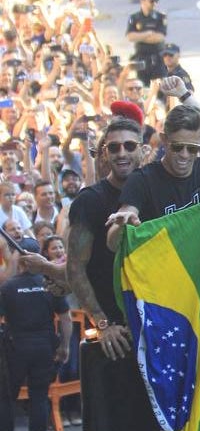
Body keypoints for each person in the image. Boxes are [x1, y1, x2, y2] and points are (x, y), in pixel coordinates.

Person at [66, 115, 146, 360]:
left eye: (129, 146)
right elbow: (75, 267)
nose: (122, 153)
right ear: (104, 154)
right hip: (114, 335)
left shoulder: (155, 190)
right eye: (114, 147)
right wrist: (102, 324)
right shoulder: (89, 200)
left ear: (142, 150)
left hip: (156, 326)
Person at [106, 97, 200, 250]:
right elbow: (112, 243)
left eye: (192, 148)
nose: (185, 155)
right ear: (164, 140)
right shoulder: (142, 180)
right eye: (177, 147)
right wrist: (122, 226)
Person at [0, 236, 71, 431]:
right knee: (39, 398)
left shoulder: (8, 287)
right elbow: (65, 318)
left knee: (6, 399)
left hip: (15, 348)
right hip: (43, 348)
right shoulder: (49, 283)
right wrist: (65, 346)